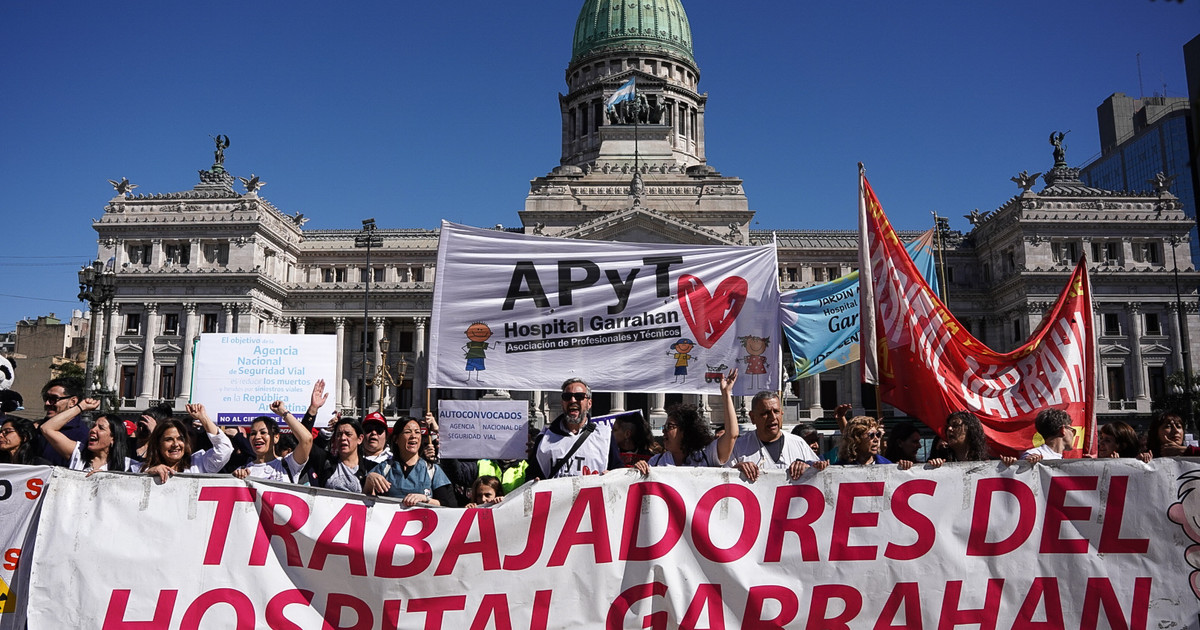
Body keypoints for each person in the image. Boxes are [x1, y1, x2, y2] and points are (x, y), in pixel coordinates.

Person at [635, 368, 740, 471]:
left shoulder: (707, 455)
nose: (664, 431)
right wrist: (640, 469)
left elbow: (732, 435)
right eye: (665, 427)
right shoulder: (656, 462)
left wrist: (726, 394)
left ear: (685, 431)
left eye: (669, 427)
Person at [528, 378, 622, 479]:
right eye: (567, 397)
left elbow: (618, 472)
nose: (573, 400)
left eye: (579, 396)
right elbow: (533, 474)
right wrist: (534, 480)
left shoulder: (604, 436)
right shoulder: (544, 438)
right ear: (562, 403)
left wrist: (612, 475)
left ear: (589, 403)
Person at [723, 389, 826, 482]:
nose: (772, 417)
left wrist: (809, 467)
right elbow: (721, 479)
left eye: (776, 411)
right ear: (753, 417)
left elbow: (821, 477)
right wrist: (735, 472)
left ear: (781, 413)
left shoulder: (799, 444)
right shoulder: (738, 447)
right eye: (765, 413)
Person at [364, 417, 456, 507]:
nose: (413, 436)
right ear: (396, 439)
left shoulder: (432, 470)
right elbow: (366, 502)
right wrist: (369, 481)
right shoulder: (383, 469)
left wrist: (425, 499)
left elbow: (449, 505)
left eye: (417, 432)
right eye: (408, 432)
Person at [135, 403, 233, 482]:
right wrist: (147, 475)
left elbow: (224, 449)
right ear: (157, 443)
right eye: (168, 439)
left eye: (180, 438)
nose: (176, 444)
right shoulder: (141, 469)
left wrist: (203, 418)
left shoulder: (199, 464)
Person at [231, 399, 316, 483]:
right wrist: (237, 479)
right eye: (253, 433)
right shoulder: (242, 471)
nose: (257, 437)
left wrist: (283, 413)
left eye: (263, 432)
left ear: (276, 437)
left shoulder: (288, 464)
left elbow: (306, 440)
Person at [39, 398, 132, 472]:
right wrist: (80, 407)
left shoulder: (128, 466)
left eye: (101, 428)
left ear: (113, 438)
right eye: (93, 426)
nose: (93, 430)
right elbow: (47, 428)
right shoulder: (78, 453)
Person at [306, 416, 379, 492]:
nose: (343, 438)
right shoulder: (326, 462)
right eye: (339, 434)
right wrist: (313, 410)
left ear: (360, 439)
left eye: (348, 434)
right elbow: (304, 442)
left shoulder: (372, 468)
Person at [34, 376, 87, 466]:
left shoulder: (83, 435)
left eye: (53, 399)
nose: (47, 403)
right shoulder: (35, 429)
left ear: (73, 402)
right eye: (46, 398)